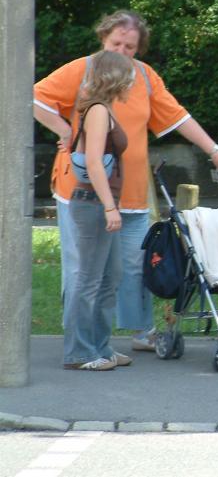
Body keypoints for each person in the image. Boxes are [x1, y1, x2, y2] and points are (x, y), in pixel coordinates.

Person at [34, 10, 218, 352]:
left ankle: (139, 331)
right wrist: (66, 131)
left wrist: (213, 149)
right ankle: (80, 342)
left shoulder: (144, 76)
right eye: (116, 44)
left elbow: (177, 116)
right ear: (103, 38)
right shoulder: (81, 70)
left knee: (134, 264)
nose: (122, 52)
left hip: (131, 191)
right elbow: (36, 98)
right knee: (83, 269)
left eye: (130, 47)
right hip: (83, 190)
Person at [62, 51, 134, 370]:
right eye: (128, 76)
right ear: (114, 77)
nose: (131, 82)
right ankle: (79, 353)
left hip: (100, 203)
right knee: (89, 280)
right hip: (93, 203)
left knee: (110, 277)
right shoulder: (98, 111)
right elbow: (93, 162)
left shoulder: (103, 108)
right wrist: (109, 207)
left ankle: (101, 347)